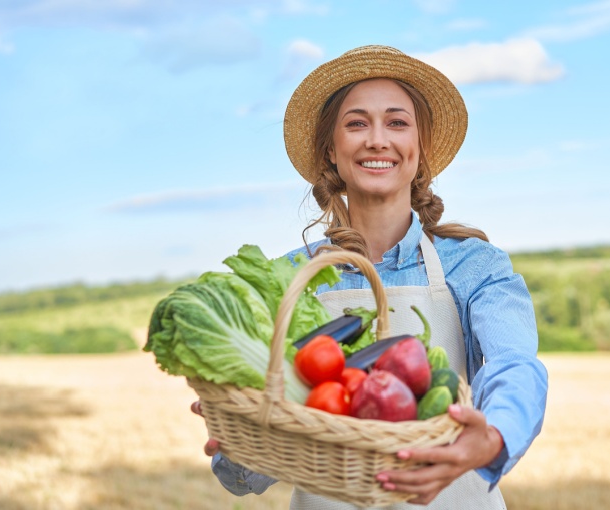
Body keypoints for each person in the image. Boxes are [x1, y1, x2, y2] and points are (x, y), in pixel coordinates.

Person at [190, 44, 548, 509]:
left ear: (420, 150)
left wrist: (494, 435)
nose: (377, 140)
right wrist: (242, 436)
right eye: (357, 123)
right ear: (331, 152)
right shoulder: (292, 278)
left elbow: (514, 364)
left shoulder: (474, 266)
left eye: (397, 122)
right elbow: (243, 476)